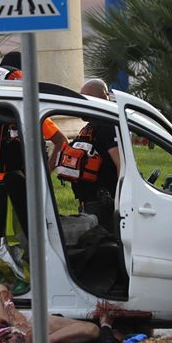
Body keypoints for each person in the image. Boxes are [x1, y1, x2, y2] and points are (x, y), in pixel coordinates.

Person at [0, 52, 66, 252]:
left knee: (25, 240)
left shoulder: (28, 111)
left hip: (15, 187)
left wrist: (44, 175)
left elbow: (60, 141)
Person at [56, 79, 122, 232]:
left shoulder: (108, 127)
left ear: (103, 98)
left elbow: (121, 164)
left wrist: (120, 200)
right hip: (88, 203)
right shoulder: (89, 128)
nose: (82, 105)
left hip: (104, 204)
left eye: (87, 99)